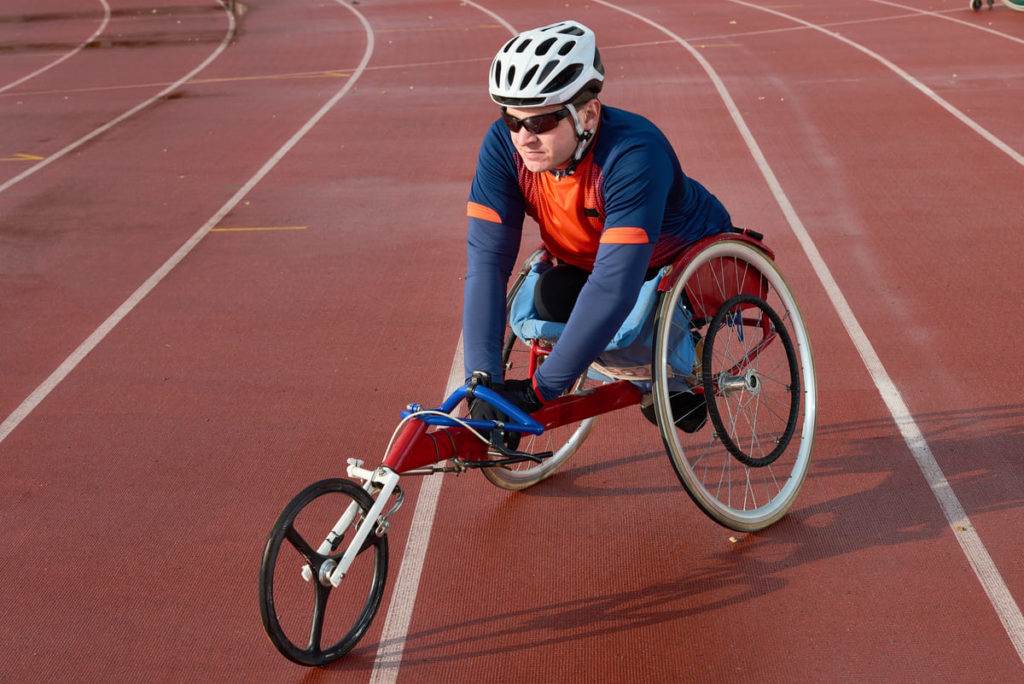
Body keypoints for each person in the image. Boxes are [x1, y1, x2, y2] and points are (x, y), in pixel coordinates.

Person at [462, 20, 733, 435]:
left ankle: (682, 365)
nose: (524, 138)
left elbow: (613, 288)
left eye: (542, 123)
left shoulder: (634, 154)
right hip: (590, 257)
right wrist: (481, 381)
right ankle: (642, 372)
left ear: (588, 113)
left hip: (674, 257)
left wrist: (540, 392)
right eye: (512, 119)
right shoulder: (503, 145)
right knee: (550, 299)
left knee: (637, 322)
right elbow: (486, 264)